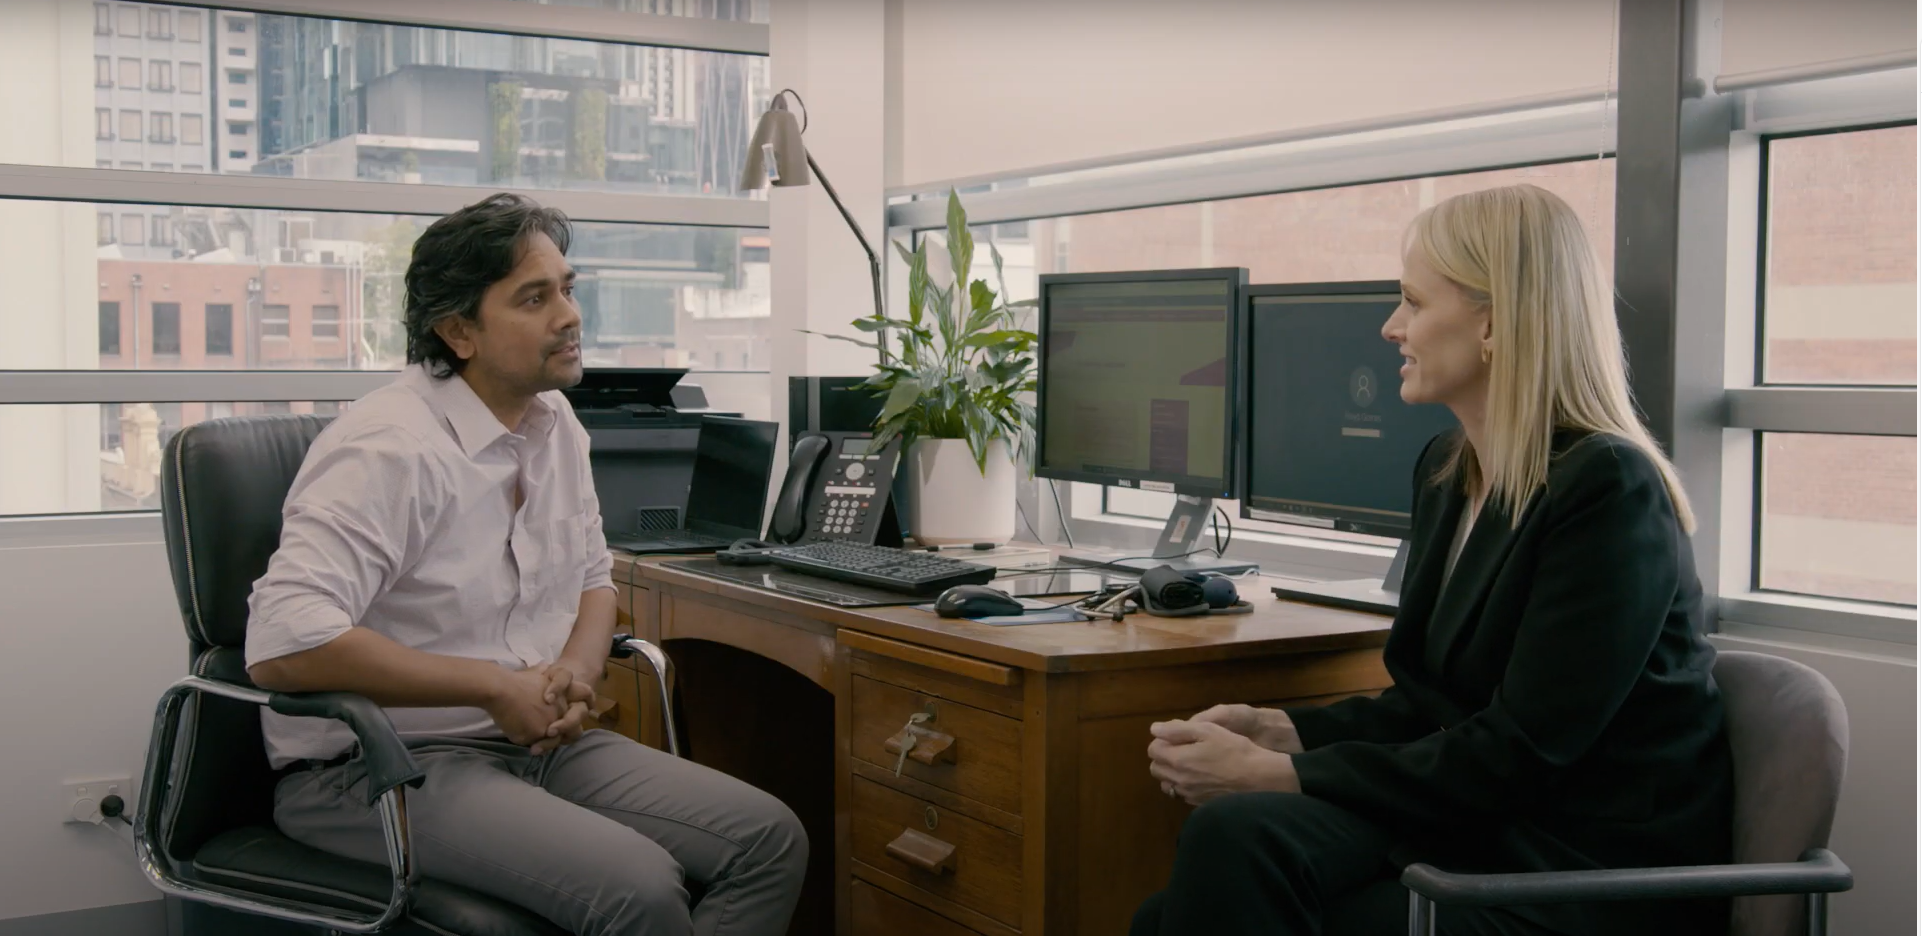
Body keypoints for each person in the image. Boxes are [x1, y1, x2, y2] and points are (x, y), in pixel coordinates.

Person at [1132, 184, 1733, 936]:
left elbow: (1522, 752)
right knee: (1207, 872)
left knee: (1224, 861)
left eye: (1413, 302)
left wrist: (1277, 775)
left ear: (1493, 323)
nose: (1391, 327)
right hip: (1477, 826)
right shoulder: (1449, 472)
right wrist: (1286, 732)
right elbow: (1428, 707)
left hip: (1576, 869)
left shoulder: (1609, 489)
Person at [245, 193, 807, 936]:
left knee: (766, 840)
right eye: (534, 298)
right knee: (638, 889)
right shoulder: (388, 449)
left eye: (568, 290)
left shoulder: (554, 423)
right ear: (459, 331)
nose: (569, 315)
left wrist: (572, 676)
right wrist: (492, 686)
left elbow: (591, 577)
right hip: (378, 764)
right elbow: (284, 644)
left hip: (534, 743)